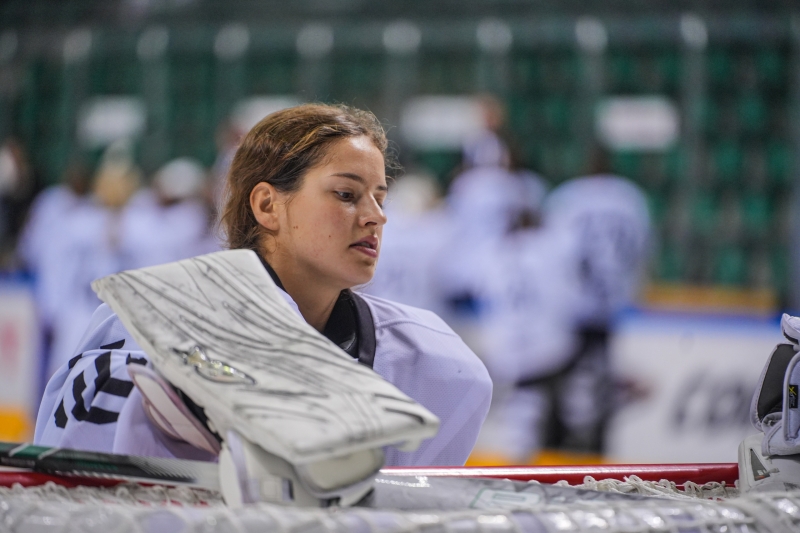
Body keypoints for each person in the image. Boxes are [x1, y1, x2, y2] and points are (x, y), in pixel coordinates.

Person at [35, 103, 493, 468]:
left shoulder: (433, 362)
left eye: (380, 196)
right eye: (346, 194)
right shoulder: (148, 325)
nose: (376, 215)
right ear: (268, 205)